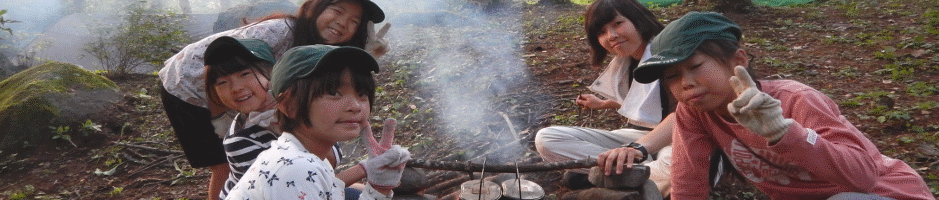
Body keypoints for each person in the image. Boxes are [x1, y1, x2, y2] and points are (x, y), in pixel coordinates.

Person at [632, 11, 934, 200]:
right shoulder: (696, 112)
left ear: (738, 60)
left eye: (695, 66)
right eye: (671, 76)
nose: (685, 83)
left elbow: (863, 177)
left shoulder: (796, 100)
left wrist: (784, 133)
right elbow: (688, 182)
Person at [158, 0, 389, 199]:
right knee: (224, 165)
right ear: (315, 7)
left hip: (246, 95)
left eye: (353, 21)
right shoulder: (280, 31)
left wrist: (366, 54)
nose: (342, 22)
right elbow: (225, 70)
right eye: (337, 11)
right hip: (184, 84)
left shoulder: (313, 46)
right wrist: (219, 116)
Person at [225, 45, 410, 200]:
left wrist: (379, 187)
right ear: (289, 106)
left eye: (362, 94)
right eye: (333, 93)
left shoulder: (304, 155)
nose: (355, 106)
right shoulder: (295, 169)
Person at [532, 0, 675, 196]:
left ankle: (616, 178)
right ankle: (634, 176)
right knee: (547, 139)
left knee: (675, 170)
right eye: (601, 32)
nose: (612, 36)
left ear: (637, 19)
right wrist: (602, 104)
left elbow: (687, 114)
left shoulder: (669, 54)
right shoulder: (628, 62)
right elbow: (643, 99)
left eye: (617, 24)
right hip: (644, 139)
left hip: (678, 139)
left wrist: (639, 149)